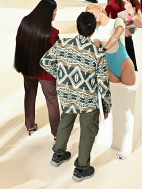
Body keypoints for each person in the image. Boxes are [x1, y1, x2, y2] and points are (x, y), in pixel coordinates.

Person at [39, 10, 110, 182]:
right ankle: (81, 169)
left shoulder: (62, 44)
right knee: (88, 132)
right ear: (94, 30)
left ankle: (58, 155)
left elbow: (44, 61)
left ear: (77, 28)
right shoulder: (97, 53)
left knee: (65, 122)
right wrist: (106, 105)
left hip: (66, 94)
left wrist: (61, 76)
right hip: (88, 100)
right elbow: (103, 83)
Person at [14, 0, 60, 139]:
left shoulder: (25, 23)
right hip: (46, 73)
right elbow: (57, 54)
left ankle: (30, 125)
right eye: (55, 11)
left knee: (29, 95)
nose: (56, 14)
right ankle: (57, 133)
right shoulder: (52, 33)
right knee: (52, 100)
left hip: (28, 68)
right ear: (48, 13)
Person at [87, 4, 135, 85]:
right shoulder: (96, 30)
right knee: (115, 94)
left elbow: (115, 37)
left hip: (124, 64)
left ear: (100, 10)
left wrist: (104, 49)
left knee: (128, 93)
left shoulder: (117, 21)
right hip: (108, 66)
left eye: (92, 13)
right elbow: (96, 45)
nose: (92, 17)